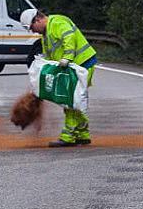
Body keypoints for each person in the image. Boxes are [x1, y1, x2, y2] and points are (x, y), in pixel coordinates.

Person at [20, 8, 97, 147]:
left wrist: (67, 58)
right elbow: (49, 58)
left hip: (82, 64)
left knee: (70, 100)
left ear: (37, 20)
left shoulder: (57, 22)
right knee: (74, 99)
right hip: (74, 66)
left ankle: (68, 137)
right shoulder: (45, 36)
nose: (33, 31)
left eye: (32, 28)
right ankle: (83, 135)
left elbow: (69, 38)